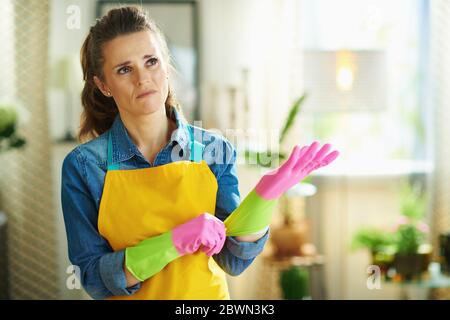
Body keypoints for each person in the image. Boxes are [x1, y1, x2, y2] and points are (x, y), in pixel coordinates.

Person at [61, 6, 338, 300]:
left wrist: (265, 197)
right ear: (103, 85)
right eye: (124, 69)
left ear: (166, 65)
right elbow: (93, 277)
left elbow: (233, 258)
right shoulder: (85, 166)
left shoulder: (213, 150)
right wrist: (175, 241)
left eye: (151, 61)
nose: (143, 79)